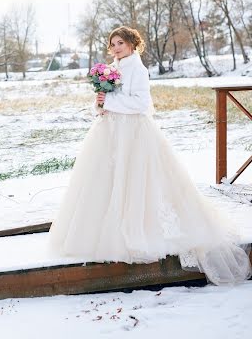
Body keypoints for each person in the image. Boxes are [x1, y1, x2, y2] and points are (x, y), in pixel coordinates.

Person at [48, 26, 251, 285]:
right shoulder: (111, 69)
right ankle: (100, 231)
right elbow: (104, 102)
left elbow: (141, 104)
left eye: (120, 43)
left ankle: (139, 230)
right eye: (112, 45)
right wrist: (99, 104)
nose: (116, 48)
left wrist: (109, 103)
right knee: (104, 180)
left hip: (133, 135)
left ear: (132, 44)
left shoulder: (138, 70)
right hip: (109, 134)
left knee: (135, 181)